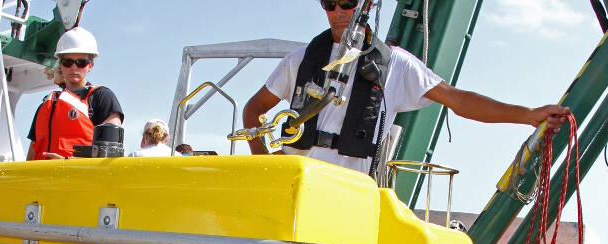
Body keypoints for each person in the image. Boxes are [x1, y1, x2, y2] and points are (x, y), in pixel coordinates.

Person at [243, 0, 569, 176]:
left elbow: (457, 100)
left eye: (347, 2)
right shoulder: (300, 59)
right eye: (330, 4)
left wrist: (528, 115)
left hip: (347, 200)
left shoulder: (397, 65)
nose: (339, 12)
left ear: (366, 6)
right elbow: (253, 110)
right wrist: (265, 167)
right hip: (295, 188)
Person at [27, 26, 123, 160]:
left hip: (80, 179)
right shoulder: (46, 104)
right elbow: (32, 151)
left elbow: (111, 154)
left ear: (91, 65)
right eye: (67, 62)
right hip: (43, 179)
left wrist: (67, 163)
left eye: (81, 63)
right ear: (60, 64)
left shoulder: (102, 97)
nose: (74, 67)